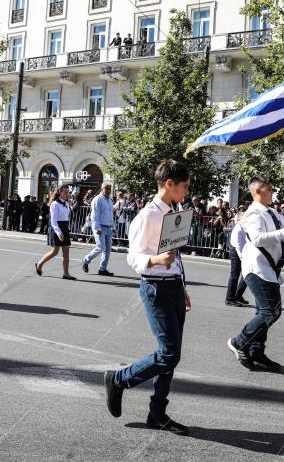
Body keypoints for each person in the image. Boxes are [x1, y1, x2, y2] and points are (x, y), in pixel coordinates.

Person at [104, 159, 192, 435]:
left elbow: (174, 255)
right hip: (156, 288)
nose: (187, 191)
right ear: (169, 184)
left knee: (172, 356)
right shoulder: (148, 215)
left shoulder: (173, 211)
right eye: (184, 186)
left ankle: (157, 414)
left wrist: (182, 285)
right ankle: (119, 379)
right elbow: (134, 257)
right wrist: (155, 259)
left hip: (173, 286)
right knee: (168, 353)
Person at [227, 177, 284, 372]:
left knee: (264, 311)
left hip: (270, 268)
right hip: (258, 268)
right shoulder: (253, 213)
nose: (273, 192)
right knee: (271, 311)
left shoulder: (271, 212)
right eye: (269, 189)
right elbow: (257, 239)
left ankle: (256, 351)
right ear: (257, 191)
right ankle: (239, 341)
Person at [35, 185, 76, 280]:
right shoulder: (54, 204)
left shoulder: (66, 203)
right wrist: (58, 232)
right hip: (56, 228)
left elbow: (67, 216)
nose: (67, 194)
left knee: (66, 252)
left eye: (68, 192)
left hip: (65, 227)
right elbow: (53, 220)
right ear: (60, 192)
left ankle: (66, 274)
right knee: (54, 252)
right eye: (65, 192)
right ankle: (39, 263)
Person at [82, 182, 115, 276]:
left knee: (107, 249)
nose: (108, 191)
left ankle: (102, 269)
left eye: (109, 189)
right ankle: (86, 260)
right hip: (100, 227)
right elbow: (94, 215)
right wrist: (97, 228)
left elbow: (110, 215)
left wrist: (113, 227)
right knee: (101, 247)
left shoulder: (110, 200)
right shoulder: (97, 199)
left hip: (108, 227)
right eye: (107, 189)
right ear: (102, 189)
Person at [226, 206, 249, 306]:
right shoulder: (239, 228)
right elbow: (238, 245)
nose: (245, 217)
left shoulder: (245, 226)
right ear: (239, 218)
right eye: (243, 216)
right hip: (236, 251)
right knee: (235, 275)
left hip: (243, 251)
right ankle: (229, 299)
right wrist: (243, 258)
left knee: (247, 273)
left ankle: (238, 294)